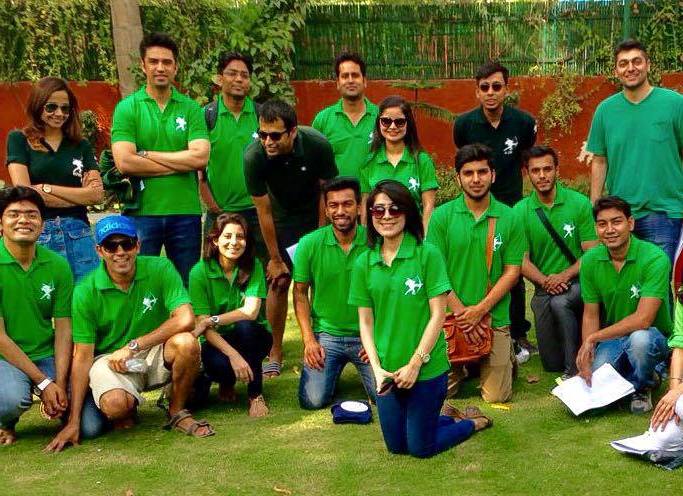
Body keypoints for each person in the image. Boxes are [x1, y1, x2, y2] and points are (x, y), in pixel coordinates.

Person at [348, 180, 491, 458]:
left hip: (426, 369)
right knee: (396, 447)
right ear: (370, 215)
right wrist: (377, 370)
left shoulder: (427, 255)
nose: (386, 216)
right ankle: (440, 419)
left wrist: (415, 364)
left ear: (408, 212)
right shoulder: (363, 262)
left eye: (395, 209)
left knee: (420, 449)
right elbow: (365, 322)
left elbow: (438, 314)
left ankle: (472, 423)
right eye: (378, 210)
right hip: (388, 371)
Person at [45, 215, 213, 451]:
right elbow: (82, 357)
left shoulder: (161, 267)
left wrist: (134, 346)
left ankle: (176, 410)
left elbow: (186, 318)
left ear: (138, 246)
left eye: (127, 244)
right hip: (111, 359)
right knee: (115, 406)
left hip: (152, 349)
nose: (120, 252)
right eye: (111, 246)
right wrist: (73, 421)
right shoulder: (85, 291)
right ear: (99, 251)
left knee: (187, 342)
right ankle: (126, 406)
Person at [243, 99, 338, 377]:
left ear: (293, 131)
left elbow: (326, 194)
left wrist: (321, 236)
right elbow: (263, 210)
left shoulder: (317, 145)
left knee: (319, 278)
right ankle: (275, 350)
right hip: (279, 219)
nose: (267, 142)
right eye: (262, 135)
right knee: (279, 281)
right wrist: (274, 258)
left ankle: (322, 341)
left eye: (275, 136)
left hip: (313, 215)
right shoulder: (253, 156)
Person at [110, 32, 210, 286]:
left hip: (185, 212)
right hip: (142, 212)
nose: (160, 67)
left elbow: (200, 158)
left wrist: (148, 155)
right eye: (153, 61)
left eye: (167, 62)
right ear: (143, 65)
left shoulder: (191, 108)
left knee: (186, 285)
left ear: (176, 67)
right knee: (139, 285)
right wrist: (180, 163)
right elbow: (125, 163)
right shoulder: (127, 108)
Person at [427, 144, 524, 403]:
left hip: (494, 317)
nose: (476, 179)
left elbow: (512, 272)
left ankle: (504, 354)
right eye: (468, 173)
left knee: (496, 397)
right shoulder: (441, 217)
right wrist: (463, 315)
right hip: (450, 319)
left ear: (493, 175)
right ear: (458, 178)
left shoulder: (510, 217)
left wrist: (480, 310)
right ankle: (468, 364)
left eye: (482, 172)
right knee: (442, 394)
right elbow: (435, 273)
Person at [453, 61, 537, 356]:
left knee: (513, 270)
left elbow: (526, 159)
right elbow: (464, 160)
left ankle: (518, 332)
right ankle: (470, 324)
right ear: (477, 91)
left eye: (496, 87)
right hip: (475, 206)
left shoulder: (523, 123)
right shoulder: (464, 125)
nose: (491, 92)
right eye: (485, 87)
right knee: (478, 265)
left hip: (510, 206)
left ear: (506, 89)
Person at [587, 39, 683, 263]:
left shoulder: (674, 104)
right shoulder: (605, 110)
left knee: (658, 276)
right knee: (626, 279)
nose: (630, 68)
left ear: (648, 65)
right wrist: (595, 207)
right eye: (623, 63)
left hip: (664, 213)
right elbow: (599, 161)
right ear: (616, 71)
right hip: (619, 215)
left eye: (636, 61)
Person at [577, 196, 671, 414]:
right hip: (614, 337)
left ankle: (644, 384)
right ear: (596, 228)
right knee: (593, 398)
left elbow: (643, 320)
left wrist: (593, 338)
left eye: (616, 222)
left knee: (639, 340)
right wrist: (587, 352)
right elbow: (591, 314)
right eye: (602, 224)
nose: (610, 230)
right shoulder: (590, 260)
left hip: (651, 334)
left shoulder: (655, 258)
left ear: (630, 223)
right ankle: (640, 375)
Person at [6, 77, 103, 281]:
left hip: (79, 233)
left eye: (65, 108)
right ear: (38, 105)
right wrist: (79, 195)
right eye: (51, 107)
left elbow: (96, 195)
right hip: (41, 233)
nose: (59, 113)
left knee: (86, 297)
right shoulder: (19, 140)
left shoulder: (81, 145)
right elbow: (26, 195)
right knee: (43, 297)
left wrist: (46, 189)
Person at [513, 146, 598, 378]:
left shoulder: (579, 203)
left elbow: (592, 252)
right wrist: (545, 281)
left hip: (580, 282)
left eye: (547, 169)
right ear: (527, 174)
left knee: (561, 302)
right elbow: (521, 260)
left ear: (557, 170)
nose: (542, 175)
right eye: (536, 170)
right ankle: (570, 354)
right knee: (551, 363)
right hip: (544, 288)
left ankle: (573, 370)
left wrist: (564, 275)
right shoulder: (519, 211)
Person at [0, 187, 75, 446]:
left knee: (90, 423)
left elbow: (64, 328)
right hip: (4, 358)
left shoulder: (57, 265)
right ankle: (6, 422)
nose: (24, 220)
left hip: (46, 354)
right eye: (14, 214)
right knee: (10, 401)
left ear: (42, 224)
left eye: (32, 215)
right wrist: (44, 383)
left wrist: (60, 384)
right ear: (1, 223)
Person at [293, 177, 375, 409]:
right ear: (326, 210)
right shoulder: (308, 243)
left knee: (386, 396)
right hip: (327, 335)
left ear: (359, 207)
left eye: (347, 204)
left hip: (367, 334)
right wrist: (309, 340)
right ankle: (330, 374)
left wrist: (378, 339)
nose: (340, 211)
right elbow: (299, 294)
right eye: (333, 205)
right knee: (313, 400)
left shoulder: (375, 242)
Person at [189, 213, 272, 417]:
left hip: (253, 335)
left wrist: (212, 320)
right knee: (218, 366)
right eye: (227, 236)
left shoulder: (254, 265)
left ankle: (255, 395)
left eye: (240, 236)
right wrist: (234, 356)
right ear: (215, 240)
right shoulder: (199, 272)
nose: (234, 242)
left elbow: (250, 312)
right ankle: (226, 380)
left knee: (245, 327)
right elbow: (203, 328)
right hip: (218, 339)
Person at [199, 51, 262, 245]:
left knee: (261, 264)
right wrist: (213, 207)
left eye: (244, 75)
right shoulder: (206, 116)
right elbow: (197, 168)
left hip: (257, 213)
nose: (239, 79)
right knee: (215, 264)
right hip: (219, 213)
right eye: (232, 73)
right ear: (220, 78)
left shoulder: (261, 115)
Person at [359, 95, 438, 233]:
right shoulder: (369, 162)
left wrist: (424, 238)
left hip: (413, 235)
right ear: (379, 123)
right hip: (379, 237)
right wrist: (366, 238)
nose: (393, 126)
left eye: (399, 122)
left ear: (408, 123)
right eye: (386, 121)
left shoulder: (422, 160)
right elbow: (365, 206)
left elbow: (428, 206)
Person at [312, 52, 378, 178]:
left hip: (374, 190)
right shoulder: (323, 120)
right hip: (336, 190)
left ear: (364, 81)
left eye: (355, 75)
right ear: (338, 83)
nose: (350, 80)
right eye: (345, 76)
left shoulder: (382, 118)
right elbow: (314, 162)